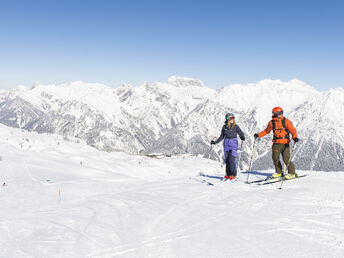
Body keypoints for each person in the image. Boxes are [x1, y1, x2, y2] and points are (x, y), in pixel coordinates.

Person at [254, 107, 299, 179]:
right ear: (274, 114)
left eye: (281, 112)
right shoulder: (272, 123)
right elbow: (266, 131)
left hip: (285, 143)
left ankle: (292, 173)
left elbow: (292, 130)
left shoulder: (286, 121)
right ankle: (279, 172)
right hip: (276, 143)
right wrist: (258, 135)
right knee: (275, 158)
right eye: (279, 113)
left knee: (286, 158)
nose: (281, 114)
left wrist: (295, 137)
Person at [211, 113, 245, 180]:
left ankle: (233, 174)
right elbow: (221, 136)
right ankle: (228, 173)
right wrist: (215, 142)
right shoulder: (224, 127)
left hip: (233, 144)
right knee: (227, 160)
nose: (232, 119)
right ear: (227, 119)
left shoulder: (236, 127)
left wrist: (242, 136)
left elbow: (240, 132)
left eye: (233, 118)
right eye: (231, 118)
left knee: (232, 160)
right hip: (226, 144)